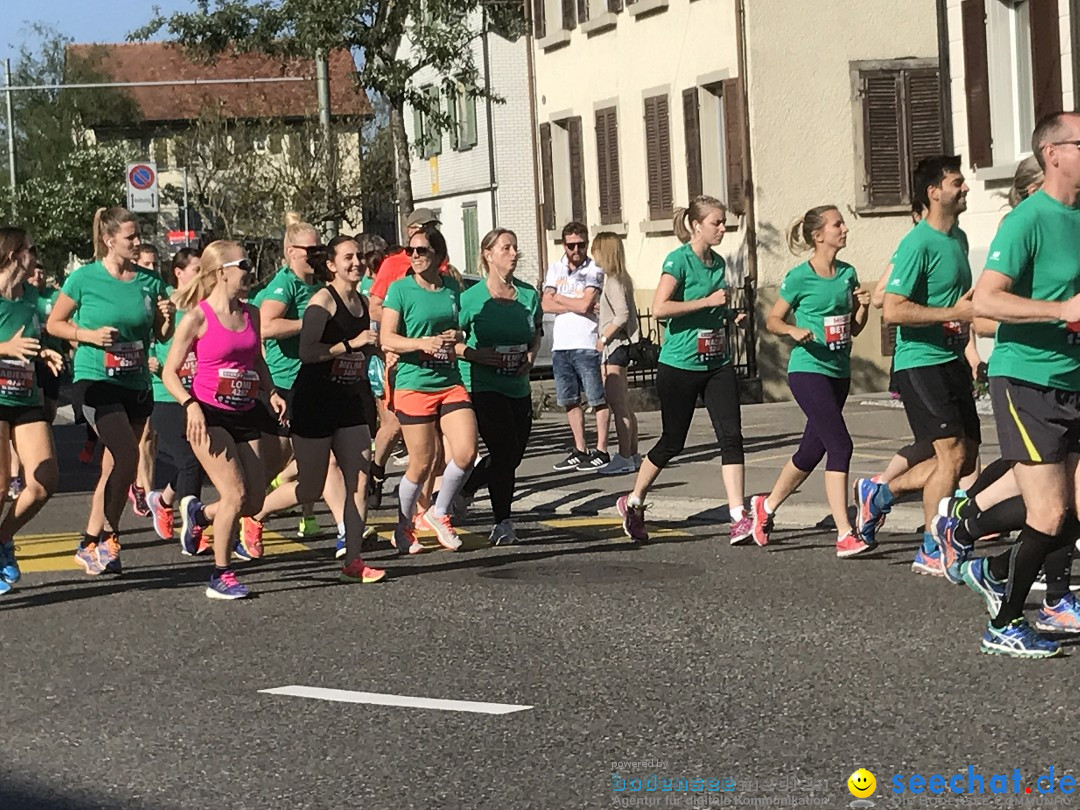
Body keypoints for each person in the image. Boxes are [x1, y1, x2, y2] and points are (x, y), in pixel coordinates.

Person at [959, 112, 1080, 657]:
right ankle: (1004, 623)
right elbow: (984, 300)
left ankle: (993, 565)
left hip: (1074, 378)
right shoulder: (1027, 219)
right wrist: (1060, 310)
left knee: (1073, 512)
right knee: (1049, 513)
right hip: (1026, 380)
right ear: (1053, 153)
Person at [851, 156, 978, 572]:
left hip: (951, 357)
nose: (964, 189)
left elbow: (961, 306)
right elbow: (894, 310)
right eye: (957, 183)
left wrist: (969, 347)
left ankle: (879, 494)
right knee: (951, 454)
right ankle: (930, 547)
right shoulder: (917, 243)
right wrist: (949, 314)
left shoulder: (957, 238)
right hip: (919, 362)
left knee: (966, 457)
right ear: (934, 192)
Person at [47, 207, 174, 576]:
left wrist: (164, 318)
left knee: (113, 467)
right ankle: (110, 538)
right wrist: (88, 335)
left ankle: (89, 540)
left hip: (135, 381)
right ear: (109, 240)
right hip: (95, 380)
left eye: (137, 236)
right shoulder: (84, 279)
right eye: (130, 237)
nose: (137, 243)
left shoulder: (150, 281)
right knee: (127, 456)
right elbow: (56, 323)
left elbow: (160, 336)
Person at [617, 196, 750, 543]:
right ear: (696, 225)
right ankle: (634, 501)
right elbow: (659, 308)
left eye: (724, 223)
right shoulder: (678, 261)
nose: (722, 228)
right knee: (673, 441)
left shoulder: (719, 263)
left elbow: (712, 311)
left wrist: (728, 317)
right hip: (679, 365)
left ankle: (738, 516)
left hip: (717, 362)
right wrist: (707, 302)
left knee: (732, 436)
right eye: (716, 223)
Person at [163, 241, 288, 599]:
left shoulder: (252, 313)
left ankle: (200, 516)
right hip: (208, 414)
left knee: (254, 501)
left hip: (246, 410)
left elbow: (257, 360)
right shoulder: (197, 317)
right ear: (222, 272)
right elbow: (171, 372)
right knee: (234, 493)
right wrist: (189, 405)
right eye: (244, 265)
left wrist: (272, 391)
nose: (250, 272)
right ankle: (220, 574)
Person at [750, 206, 871, 555]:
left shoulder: (848, 274)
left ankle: (767, 507)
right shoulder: (800, 277)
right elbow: (773, 319)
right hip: (807, 370)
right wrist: (792, 329)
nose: (844, 229)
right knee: (841, 445)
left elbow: (853, 330)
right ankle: (845, 532)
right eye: (837, 224)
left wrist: (861, 308)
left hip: (838, 371)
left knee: (811, 450)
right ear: (819, 236)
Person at [284, 236, 385, 582]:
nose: (357, 262)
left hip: (349, 402)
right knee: (309, 489)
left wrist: (374, 353)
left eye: (359, 256)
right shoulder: (321, 301)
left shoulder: (362, 300)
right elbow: (307, 352)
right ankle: (253, 514)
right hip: (314, 401)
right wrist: (349, 344)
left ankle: (353, 562)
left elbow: (359, 351)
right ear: (331, 265)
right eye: (348, 257)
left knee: (359, 480)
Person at [379, 224, 476, 554]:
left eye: (423, 251)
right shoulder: (400, 290)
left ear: (439, 256)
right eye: (411, 251)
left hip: (449, 381)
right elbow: (387, 337)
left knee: (466, 452)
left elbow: (460, 329)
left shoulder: (451, 289)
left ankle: (439, 512)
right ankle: (404, 525)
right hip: (414, 382)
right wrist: (422, 343)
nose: (415, 256)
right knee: (422, 463)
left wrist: (455, 337)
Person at [254, 212, 344, 540]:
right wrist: (309, 324)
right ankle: (241, 515)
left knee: (328, 462)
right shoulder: (284, 285)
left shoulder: (320, 283)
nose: (316, 256)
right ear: (291, 251)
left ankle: (348, 531)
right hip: (285, 386)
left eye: (320, 249)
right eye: (310, 250)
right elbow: (265, 326)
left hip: (317, 383)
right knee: (267, 469)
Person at [458, 228, 541, 545]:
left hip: (518, 385)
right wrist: (477, 355)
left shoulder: (528, 295)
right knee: (504, 450)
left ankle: (467, 487)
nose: (513, 253)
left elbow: (535, 333)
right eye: (506, 248)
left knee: (514, 455)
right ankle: (503, 521)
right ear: (488, 255)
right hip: (483, 384)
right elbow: (451, 340)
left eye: (515, 248)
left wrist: (531, 357)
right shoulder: (471, 298)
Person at [366, 209, 445, 507]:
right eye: (426, 228)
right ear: (411, 230)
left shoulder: (439, 261)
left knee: (435, 437)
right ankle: (377, 469)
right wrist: (400, 333)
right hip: (397, 356)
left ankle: (427, 505)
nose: (430, 234)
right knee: (394, 425)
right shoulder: (394, 264)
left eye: (434, 229)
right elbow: (374, 306)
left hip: (436, 364)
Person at [0, 227, 62, 596]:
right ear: (13, 254)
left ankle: (3, 540)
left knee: (43, 483)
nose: (35, 255)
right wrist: (5, 347)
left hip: (25, 397)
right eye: (31, 249)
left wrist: (44, 353)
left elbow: (32, 340)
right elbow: (11, 343)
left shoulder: (32, 298)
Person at [146, 248, 206, 552]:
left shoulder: (207, 306)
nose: (201, 275)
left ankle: (163, 500)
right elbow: (145, 334)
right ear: (178, 272)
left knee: (199, 461)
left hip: (199, 395)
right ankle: (192, 529)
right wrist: (149, 358)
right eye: (196, 269)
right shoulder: (167, 303)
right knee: (189, 460)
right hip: (166, 394)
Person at [543, 221, 610, 472]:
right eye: (571, 245)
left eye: (581, 245)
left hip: (586, 343)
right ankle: (580, 449)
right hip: (561, 345)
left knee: (597, 398)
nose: (576, 250)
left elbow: (585, 305)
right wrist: (576, 302)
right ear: (564, 245)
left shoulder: (594, 269)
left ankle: (601, 449)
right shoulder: (555, 268)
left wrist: (559, 296)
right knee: (570, 400)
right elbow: (545, 304)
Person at [592, 232, 640, 476]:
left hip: (616, 347)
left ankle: (624, 456)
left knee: (618, 404)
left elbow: (622, 316)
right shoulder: (621, 279)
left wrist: (603, 338)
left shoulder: (613, 280)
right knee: (624, 403)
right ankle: (632, 453)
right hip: (623, 346)